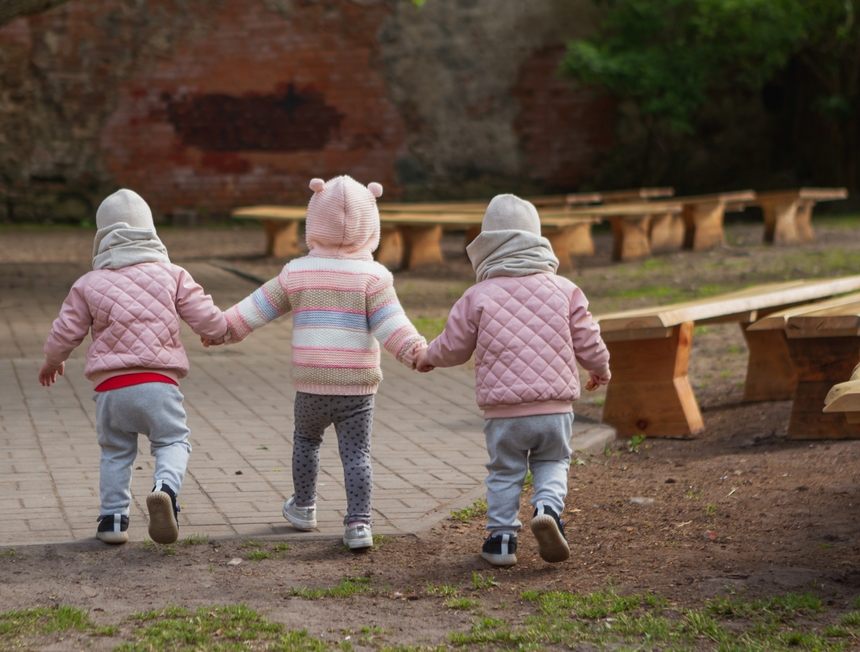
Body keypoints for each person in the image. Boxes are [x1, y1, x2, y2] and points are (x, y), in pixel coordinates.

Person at [214, 176, 426, 550]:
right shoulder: (374, 277)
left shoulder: (297, 272)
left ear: (315, 219)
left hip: (310, 383)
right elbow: (391, 322)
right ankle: (359, 523)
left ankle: (304, 507)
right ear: (371, 223)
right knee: (356, 454)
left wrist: (224, 329)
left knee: (306, 442)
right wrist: (414, 351)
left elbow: (258, 306)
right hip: (357, 388)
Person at [415, 194, 610, 567]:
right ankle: (548, 510)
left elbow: (454, 346)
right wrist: (600, 368)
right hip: (555, 409)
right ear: (538, 240)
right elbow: (588, 339)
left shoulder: (477, 296)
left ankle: (501, 542)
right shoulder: (566, 289)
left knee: (505, 471)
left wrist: (427, 357)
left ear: (488, 246)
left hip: (503, 413)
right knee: (553, 461)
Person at [38, 189, 228, 545]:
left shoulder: (88, 284)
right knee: (172, 440)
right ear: (152, 231)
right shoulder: (173, 275)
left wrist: (53, 361)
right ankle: (165, 491)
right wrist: (216, 333)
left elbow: (66, 331)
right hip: (159, 384)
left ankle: (112, 521)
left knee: (115, 451)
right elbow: (207, 317)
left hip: (111, 391)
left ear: (101, 238)